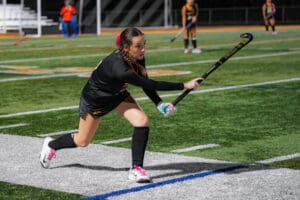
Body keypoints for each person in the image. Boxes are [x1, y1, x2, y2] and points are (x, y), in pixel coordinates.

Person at [39, 27, 202, 183]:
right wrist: (184, 85)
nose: (143, 49)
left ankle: (136, 169)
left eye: (144, 44)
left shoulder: (137, 57)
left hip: (118, 95)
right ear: (125, 47)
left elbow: (145, 81)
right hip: (95, 101)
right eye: (138, 46)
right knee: (83, 141)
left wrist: (159, 104)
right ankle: (51, 144)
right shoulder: (119, 68)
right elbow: (151, 83)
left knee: (142, 121)